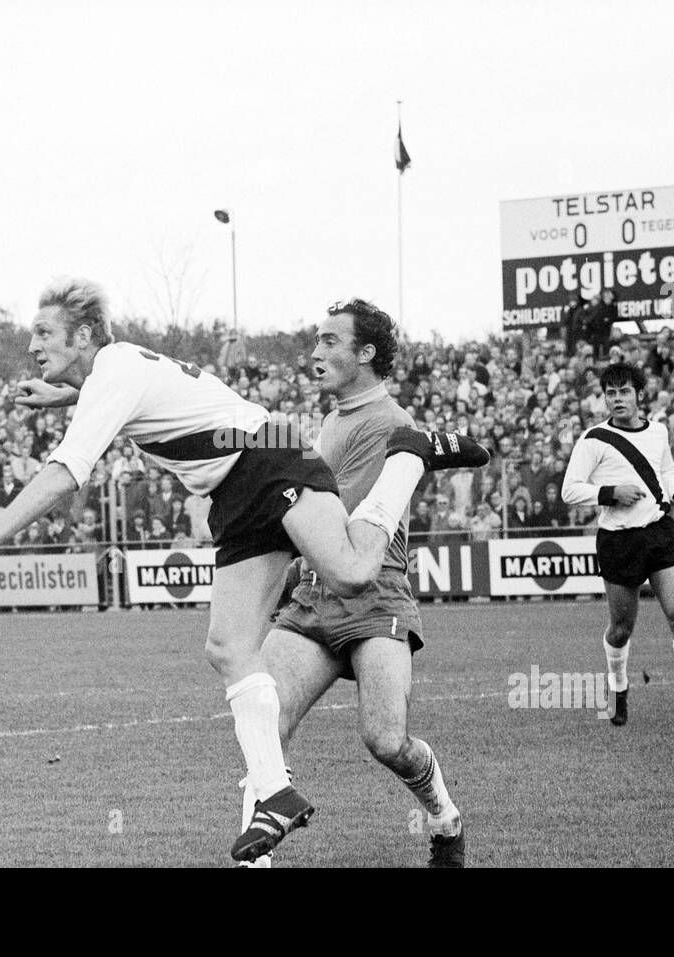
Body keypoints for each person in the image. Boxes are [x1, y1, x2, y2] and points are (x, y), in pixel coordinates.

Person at [0, 279, 488, 863]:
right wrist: (68, 395)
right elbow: (158, 398)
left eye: (44, 333)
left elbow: (67, 470)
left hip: (265, 461)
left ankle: (411, 454)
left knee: (351, 572)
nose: (32, 346)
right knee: (226, 647)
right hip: (237, 490)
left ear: (84, 335)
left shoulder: (115, 371)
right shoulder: (118, 369)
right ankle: (276, 795)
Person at [242, 299, 467, 868]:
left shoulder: (389, 424)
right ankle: (252, 863)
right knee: (265, 722)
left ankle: (443, 816)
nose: (315, 353)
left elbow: (344, 519)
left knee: (387, 742)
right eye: (316, 342)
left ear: (365, 354)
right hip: (318, 590)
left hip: (375, 593)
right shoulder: (336, 418)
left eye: (329, 342)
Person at [561, 364, 674, 728]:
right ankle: (618, 687)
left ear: (640, 395)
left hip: (659, 530)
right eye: (611, 393)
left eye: (624, 392)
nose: (617, 399)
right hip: (619, 540)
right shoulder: (593, 439)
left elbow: (664, 472)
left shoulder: (658, 432)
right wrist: (610, 493)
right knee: (621, 628)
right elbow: (570, 490)